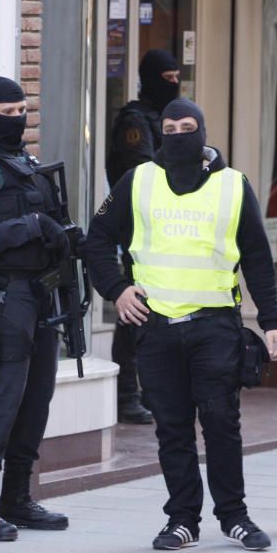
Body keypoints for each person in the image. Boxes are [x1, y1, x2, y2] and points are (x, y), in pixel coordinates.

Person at [86, 98, 277, 551]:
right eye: (170, 126)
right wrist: (117, 290)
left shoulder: (233, 185)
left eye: (187, 126)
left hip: (214, 323)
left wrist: (272, 321)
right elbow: (96, 239)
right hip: (155, 327)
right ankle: (182, 520)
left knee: (221, 421)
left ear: (202, 131)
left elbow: (256, 256)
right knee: (172, 428)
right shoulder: (137, 180)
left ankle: (234, 517)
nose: (178, 134)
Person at [0, 76, 80, 542]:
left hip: (41, 290)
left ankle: (16, 497)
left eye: (22, 110)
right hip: (6, 294)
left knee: (38, 395)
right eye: (7, 112)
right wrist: (34, 225)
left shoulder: (24, 162)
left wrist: (64, 235)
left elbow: (50, 224)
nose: (17, 119)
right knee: (4, 396)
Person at [105, 49, 181, 424]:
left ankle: (153, 391)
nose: (175, 84)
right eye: (167, 78)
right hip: (139, 229)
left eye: (177, 77)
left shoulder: (171, 116)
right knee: (135, 311)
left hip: (170, 229)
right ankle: (126, 395)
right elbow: (144, 172)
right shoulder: (135, 120)